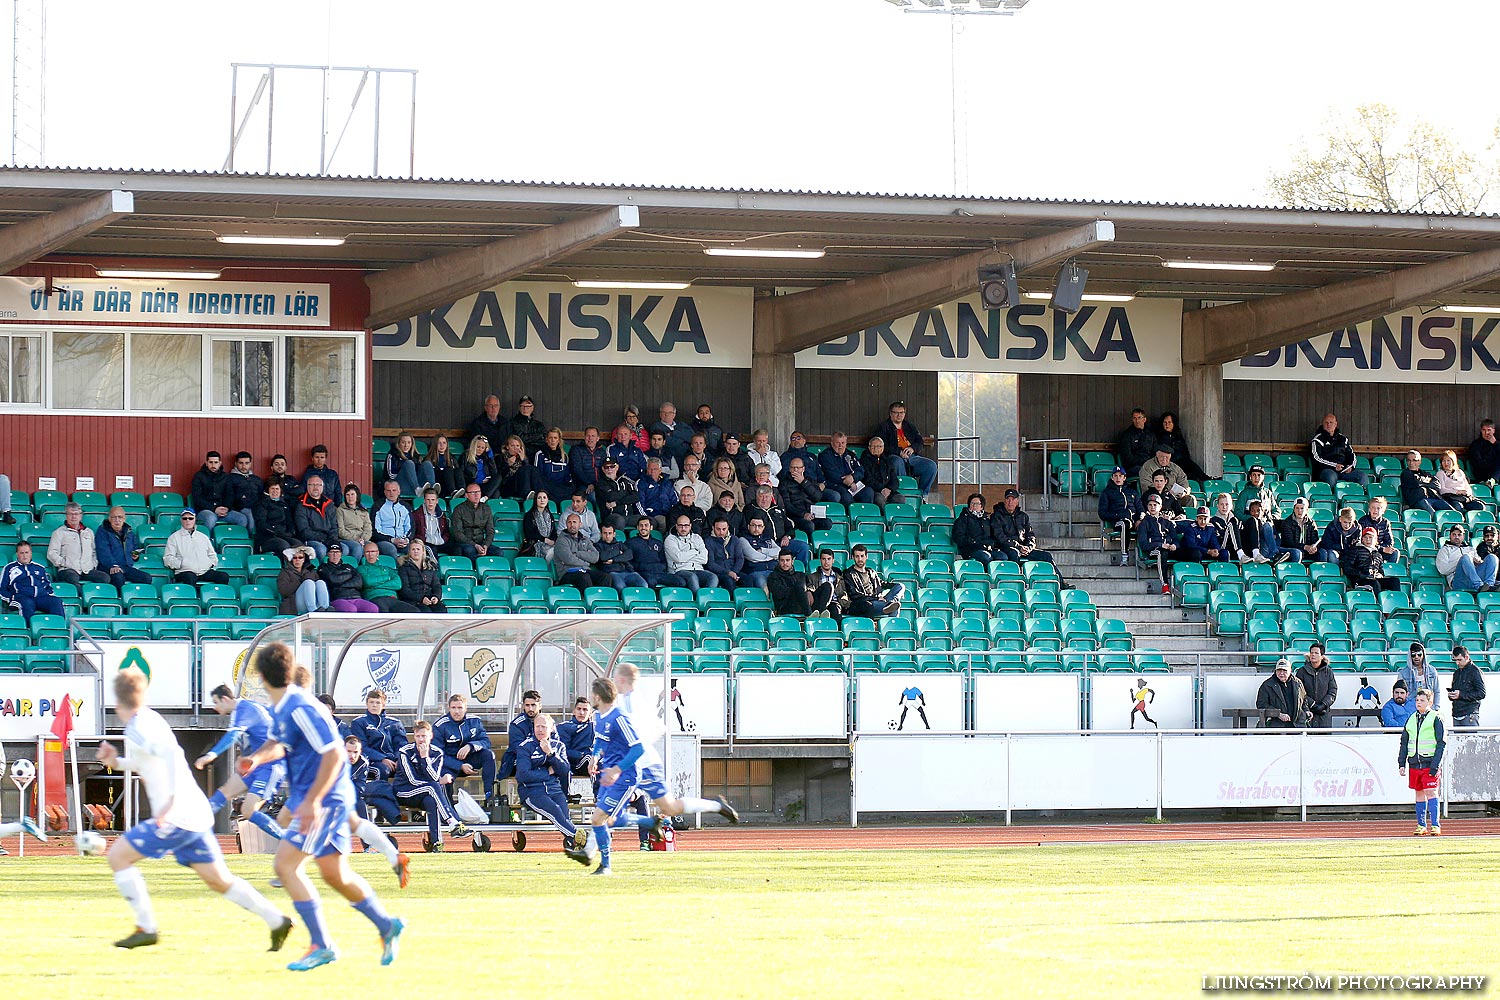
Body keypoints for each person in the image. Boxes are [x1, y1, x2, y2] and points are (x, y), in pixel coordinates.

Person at [98, 670, 293, 952]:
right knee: (219, 880)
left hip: (177, 816)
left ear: (117, 702)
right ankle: (276, 920)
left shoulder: (139, 727)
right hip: (195, 814)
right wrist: (116, 762)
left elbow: (169, 755)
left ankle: (146, 928)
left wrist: (169, 802)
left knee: (118, 857)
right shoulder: (149, 719)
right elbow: (149, 761)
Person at [237, 643, 405, 968]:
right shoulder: (286, 707)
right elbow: (279, 743)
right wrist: (255, 759)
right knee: (335, 874)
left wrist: (313, 800)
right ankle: (387, 924)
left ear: (260, 676)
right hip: (321, 797)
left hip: (323, 799)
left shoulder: (300, 707)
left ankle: (322, 944)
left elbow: (333, 753)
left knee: (286, 867)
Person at [583, 677, 737, 875]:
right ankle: (594, 854)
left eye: (620, 681)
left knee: (618, 816)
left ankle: (597, 858)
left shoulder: (629, 707)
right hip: (623, 770)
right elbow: (602, 739)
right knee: (612, 817)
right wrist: (595, 757)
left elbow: (647, 737)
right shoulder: (605, 713)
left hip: (643, 766)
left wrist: (617, 769)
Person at [194, 684, 287, 845]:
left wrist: (210, 755)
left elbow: (233, 736)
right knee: (224, 793)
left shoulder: (245, 709)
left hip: (271, 765)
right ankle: (194, 831)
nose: (215, 708)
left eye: (216, 702)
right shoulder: (243, 710)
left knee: (248, 810)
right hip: (254, 765)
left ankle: (290, 840)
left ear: (224, 699)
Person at [393, 720, 485, 853]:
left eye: (424, 736)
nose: (421, 740)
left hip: (426, 793)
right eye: (418, 736)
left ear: (431, 736)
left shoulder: (437, 753)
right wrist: (434, 782)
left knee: (432, 801)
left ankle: (437, 843)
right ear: (414, 736)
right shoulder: (405, 752)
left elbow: (434, 777)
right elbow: (412, 780)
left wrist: (425, 759)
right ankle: (452, 822)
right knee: (433, 787)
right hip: (404, 791)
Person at [515, 713, 591, 863]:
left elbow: (564, 770)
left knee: (564, 814)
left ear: (551, 729)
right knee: (555, 810)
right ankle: (582, 837)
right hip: (531, 792)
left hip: (554, 789)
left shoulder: (558, 746)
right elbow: (523, 775)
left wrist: (550, 754)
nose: (540, 730)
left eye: (544, 726)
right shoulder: (525, 747)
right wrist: (547, 772)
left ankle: (574, 842)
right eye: (537, 726)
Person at [433, 693, 497, 810]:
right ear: (449, 708)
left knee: (489, 755)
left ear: (465, 708)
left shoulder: (474, 721)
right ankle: (449, 809)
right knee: (444, 774)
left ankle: (489, 797)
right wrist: (460, 766)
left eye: (460, 708)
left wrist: (470, 746)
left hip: (471, 759)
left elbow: (486, 741)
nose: (457, 711)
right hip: (450, 764)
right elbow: (438, 755)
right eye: (453, 708)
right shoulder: (440, 725)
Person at [1397, 687, 1446, 837]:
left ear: (1430, 702)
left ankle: (1435, 825)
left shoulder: (1436, 718)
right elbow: (1404, 742)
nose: (1418, 703)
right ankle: (1421, 825)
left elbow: (1441, 743)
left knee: (1431, 792)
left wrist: (1435, 765)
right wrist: (1401, 763)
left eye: (1422, 700)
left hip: (1429, 762)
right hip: (1414, 764)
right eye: (1417, 700)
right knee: (1418, 794)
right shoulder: (1411, 718)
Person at [876, 400, 938, 496]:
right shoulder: (883, 427)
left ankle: (921, 495)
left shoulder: (909, 426)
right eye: (896, 413)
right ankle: (903, 494)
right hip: (893, 456)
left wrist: (912, 448)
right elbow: (882, 446)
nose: (899, 415)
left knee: (931, 466)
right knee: (897, 462)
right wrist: (899, 452)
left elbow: (919, 441)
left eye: (901, 413)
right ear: (890, 413)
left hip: (911, 456)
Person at [351, 689, 408, 779]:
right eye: (371, 702)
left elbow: (401, 744)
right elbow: (362, 747)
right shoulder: (359, 722)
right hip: (372, 760)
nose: (374, 705)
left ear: (383, 705)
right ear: (366, 704)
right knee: (382, 770)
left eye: (378, 703)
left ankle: (401, 792)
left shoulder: (395, 723)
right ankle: (381, 793)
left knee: (407, 768)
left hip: (393, 760)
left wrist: (399, 759)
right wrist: (382, 758)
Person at [48, 503, 109, 587]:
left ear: (81, 516)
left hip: (87, 570)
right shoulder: (59, 532)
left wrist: (93, 564)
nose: (73, 517)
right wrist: (64, 563)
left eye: (76, 514)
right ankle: (82, 598)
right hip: (68, 569)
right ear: (66, 516)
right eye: (70, 514)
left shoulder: (89, 532)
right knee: (72, 578)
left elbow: (94, 551)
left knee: (105, 578)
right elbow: (51, 553)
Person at [991, 489, 1055, 568]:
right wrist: (1018, 547)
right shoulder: (996, 516)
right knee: (1014, 553)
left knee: (1046, 556)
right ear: (1004, 501)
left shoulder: (1023, 516)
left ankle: (1059, 579)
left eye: (1013, 499)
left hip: (1024, 549)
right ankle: (1015, 579)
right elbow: (1000, 537)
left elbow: (1030, 535)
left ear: (1017, 501)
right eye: (1008, 499)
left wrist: (1029, 547)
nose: (1010, 502)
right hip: (1006, 548)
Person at [163, 510, 229, 585]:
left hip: (204, 571)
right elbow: (168, 558)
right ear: (181, 520)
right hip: (184, 571)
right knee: (190, 577)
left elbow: (212, 555)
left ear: (195, 519)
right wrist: (181, 564)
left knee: (223, 576)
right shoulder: (174, 538)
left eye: (190, 518)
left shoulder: (203, 537)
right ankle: (191, 596)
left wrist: (210, 563)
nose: (187, 521)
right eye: (185, 518)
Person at [95, 506, 152, 591]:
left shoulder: (129, 532)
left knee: (147, 578)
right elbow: (103, 551)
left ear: (124, 518)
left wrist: (135, 556)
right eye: (114, 517)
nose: (117, 520)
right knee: (118, 578)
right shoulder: (102, 530)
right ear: (109, 519)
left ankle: (135, 599)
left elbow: (135, 548)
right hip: (108, 566)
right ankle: (119, 601)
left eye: (120, 517)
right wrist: (113, 565)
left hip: (125, 567)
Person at [843, 543, 904, 619]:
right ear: (853, 557)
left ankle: (890, 604)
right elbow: (854, 595)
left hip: (880, 601)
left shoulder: (871, 572)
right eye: (857, 556)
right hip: (866, 604)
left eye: (862, 556)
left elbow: (882, 584)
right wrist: (876, 598)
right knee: (894, 607)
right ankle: (891, 615)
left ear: (866, 557)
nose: (860, 559)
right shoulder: (848, 573)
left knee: (900, 586)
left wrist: (895, 587)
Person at [1097, 468, 1143, 564]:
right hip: (1119, 521)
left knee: (1149, 523)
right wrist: (1117, 515)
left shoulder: (1132, 492)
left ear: (1124, 478)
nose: (1118, 478)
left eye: (1120, 476)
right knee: (1124, 524)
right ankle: (1124, 555)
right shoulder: (1106, 493)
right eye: (1115, 476)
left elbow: (1140, 509)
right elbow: (1102, 513)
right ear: (1112, 477)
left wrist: (1140, 519)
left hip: (1134, 521)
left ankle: (1148, 555)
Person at [358, 543, 420, 613]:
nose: (370, 554)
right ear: (364, 554)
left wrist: (375, 586)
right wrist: (388, 578)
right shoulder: (361, 569)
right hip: (375, 598)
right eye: (367, 552)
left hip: (392, 598)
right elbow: (368, 582)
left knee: (415, 612)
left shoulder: (388, 569)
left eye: (373, 551)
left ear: (377, 553)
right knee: (384, 614)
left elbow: (398, 584)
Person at [1311, 413, 1368, 487]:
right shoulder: (1317, 440)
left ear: (1335, 424)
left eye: (1331, 422)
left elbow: (1351, 455)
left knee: (1362, 476)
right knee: (1331, 477)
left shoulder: (1343, 439)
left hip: (1343, 470)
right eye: (1326, 423)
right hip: (1326, 470)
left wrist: (1351, 466)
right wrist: (1334, 465)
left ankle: (1361, 497)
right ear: (1323, 424)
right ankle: (1331, 497)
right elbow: (1317, 458)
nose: (1329, 425)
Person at [1138, 495, 1180, 596]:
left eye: (1155, 505)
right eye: (1150, 505)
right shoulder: (1144, 523)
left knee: (1190, 553)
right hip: (1154, 550)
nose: (1152, 507)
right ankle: (1165, 584)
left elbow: (1176, 539)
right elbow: (1143, 545)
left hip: (1169, 549)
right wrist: (1160, 545)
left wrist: (1175, 545)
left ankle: (1185, 585)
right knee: (1162, 552)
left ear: (1160, 507)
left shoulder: (1167, 522)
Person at [1436, 524, 1499, 592]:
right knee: (1465, 557)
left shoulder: (1470, 549)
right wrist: (1462, 561)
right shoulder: (1444, 550)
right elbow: (1443, 570)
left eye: (1459, 535)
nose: (1456, 537)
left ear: (1463, 536)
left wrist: (1477, 562)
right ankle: (1480, 586)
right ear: (1450, 536)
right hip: (1458, 580)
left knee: (1492, 557)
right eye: (1454, 534)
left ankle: (1489, 585)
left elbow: (1479, 563)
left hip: (1474, 577)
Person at [294, 475, 342, 560]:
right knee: (321, 550)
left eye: (318, 485)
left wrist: (332, 539)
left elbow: (334, 526)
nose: (315, 488)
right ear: (307, 487)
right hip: (310, 540)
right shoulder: (301, 505)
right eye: (312, 485)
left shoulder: (329, 504)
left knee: (345, 549)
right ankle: (320, 571)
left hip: (328, 539)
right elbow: (304, 531)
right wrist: (323, 539)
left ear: (322, 487)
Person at [818, 432, 874, 505]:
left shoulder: (851, 455)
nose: (840, 445)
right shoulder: (825, 455)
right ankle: (851, 515)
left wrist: (853, 477)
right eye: (837, 443)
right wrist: (849, 482)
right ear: (832, 443)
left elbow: (861, 470)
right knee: (846, 497)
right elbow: (831, 473)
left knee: (868, 492)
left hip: (853, 484)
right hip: (835, 485)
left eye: (843, 443)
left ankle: (865, 515)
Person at [555, 512, 605, 592]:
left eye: (574, 522)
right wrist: (587, 562)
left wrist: (577, 554)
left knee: (605, 577)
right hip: (567, 573)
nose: (572, 525)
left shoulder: (585, 539)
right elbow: (569, 559)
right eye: (569, 522)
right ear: (566, 524)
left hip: (584, 570)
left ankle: (602, 601)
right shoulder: (561, 540)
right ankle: (588, 602)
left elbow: (595, 557)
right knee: (584, 577)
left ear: (580, 524)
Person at [665, 515, 716, 592]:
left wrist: (685, 556)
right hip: (679, 570)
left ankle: (705, 598)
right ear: (676, 526)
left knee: (713, 577)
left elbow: (704, 559)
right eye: (680, 525)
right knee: (692, 577)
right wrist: (695, 551)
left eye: (686, 525)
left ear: (690, 526)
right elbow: (678, 558)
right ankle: (698, 600)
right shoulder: (670, 539)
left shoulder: (697, 538)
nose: (683, 528)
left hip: (698, 569)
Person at [321, 545, 377, 613]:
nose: (335, 555)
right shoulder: (323, 567)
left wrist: (339, 583)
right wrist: (349, 575)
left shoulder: (348, 566)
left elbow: (359, 582)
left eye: (337, 552)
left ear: (341, 554)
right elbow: (333, 579)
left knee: (373, 608)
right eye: (332, 552)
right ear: (328, 554)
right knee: (351, 609)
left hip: (356, 597)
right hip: (338, 598)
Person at [1152, 411, 1205, 481]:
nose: (1167, 424)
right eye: (1165, 422)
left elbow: (1185, 451)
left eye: (1169, 422)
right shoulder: (1159, 436)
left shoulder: (1178, 436)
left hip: (1182, 462)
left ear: (1174, 423)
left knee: (1192, 467)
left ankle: (1207, 479)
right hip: (1169, 463)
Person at [397, 538, 446, 613]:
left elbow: (437, 586)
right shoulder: (404, 567)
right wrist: (421, 598)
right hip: (413, 601)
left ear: (423, 551)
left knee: (441, 610)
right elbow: (405, 590)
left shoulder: (430, 567)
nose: (416, 551)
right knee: (426, 611)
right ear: (409, 552)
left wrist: (436, 596)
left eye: (418, 549)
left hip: (430, 599)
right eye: (413, 549)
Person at [190, 450, 235, 531]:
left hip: (223, 511)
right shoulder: (199, 477)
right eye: (211, 462)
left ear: (220, 463)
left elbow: (230, 495)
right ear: (206, 463)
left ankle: (232, 542)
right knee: (211, 518)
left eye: (216, 462)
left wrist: (226, 508)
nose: (213, 465)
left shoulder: (225, 477)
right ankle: (207, 542)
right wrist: (214, 509)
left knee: (242, 519)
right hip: (204, 511)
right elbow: (197, 498)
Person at [1295, 644, 1338, 729]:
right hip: (1306, 713)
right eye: (1311, 653)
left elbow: (1333, 691)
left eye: (1316, 653)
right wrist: (1312, 704)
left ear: (1322, 656)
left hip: (1324, 715)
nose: (1313, 655)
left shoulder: (1329, 672)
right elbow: (1298, 691)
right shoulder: (1301, 671)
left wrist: (1324, 704)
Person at [1256, 658, 1307, 728]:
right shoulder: (1267, 685)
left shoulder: (1298, 683)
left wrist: (1306, 711)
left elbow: (1304, 700)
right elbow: (1261, 704)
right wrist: (1278, 714)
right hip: (1277, 727)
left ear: (1290, 671)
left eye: (1284, 670)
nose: (1281, 673)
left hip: (1298, 726)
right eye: (1279, 670)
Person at [1342, 527, 1398, 591]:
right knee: (1374, 583)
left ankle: (1397, 600)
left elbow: (1380, 569)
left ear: (1375, 540)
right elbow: (1347, 567)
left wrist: (1380, 574)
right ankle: (1378, 600)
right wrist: (1361, 574)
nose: (1368, 540)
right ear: (1362, 539)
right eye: (1365, 537)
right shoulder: (1356, 550)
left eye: (1370, 537)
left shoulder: (1378, 554)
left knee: (1394, 581)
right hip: (1360, 580)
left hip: (1374, 579)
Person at [595, 522, 647, 590]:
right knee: (619, 587)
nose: (607, 536)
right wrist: (618, 552)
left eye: (610, 533)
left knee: (644, 585)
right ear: (601, 534)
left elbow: (629, 555)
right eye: (605, 533)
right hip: (612, 572)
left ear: (614, 534)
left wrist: (613, 560)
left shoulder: (619, 544)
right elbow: (603, 557)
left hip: (628, 571)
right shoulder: (597, 546)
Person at [735, 515, 781, 591]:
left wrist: (763, 550)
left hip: (773, 570)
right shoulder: (742, 539)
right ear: (748, 526)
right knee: (764, 587)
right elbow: (753, 556)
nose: (756, 529)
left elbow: (779, 552)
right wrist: (772, 556)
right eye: (753, 525)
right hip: (756, 571)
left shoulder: (767, 538)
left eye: (759, 526)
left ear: (763, 527)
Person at [255, 480, 301, 555]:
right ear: (267, 490)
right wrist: (275, 532)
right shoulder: (262, 503)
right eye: (272, 489)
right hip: (268, 537)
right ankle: (285, 566)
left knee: (299, 546)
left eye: (277, 489)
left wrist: (290, 533)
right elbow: (261, 524)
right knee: (284, 546)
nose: (275, 491)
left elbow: (290, 522)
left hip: (284, 535)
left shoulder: (284, 504)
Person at [628, 515, 676, 587]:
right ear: (637, 528)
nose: (643, 528)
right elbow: (629, 562)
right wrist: (641, 567)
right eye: (641, 525)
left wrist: (660, 568)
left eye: (646, 525)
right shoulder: (631, 542)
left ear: (651, 528)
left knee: (680, 582)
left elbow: (663, 561)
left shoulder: (658, 543)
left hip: (660, 573)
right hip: (644, 573)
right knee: (651, 582)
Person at [450, 483, 496, 559]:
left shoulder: (486, 508)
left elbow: (490, 531)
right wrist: (475, 545)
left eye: (478, 492)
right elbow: (458, 533)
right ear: (466, 495)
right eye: (473, 492)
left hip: (481, 542)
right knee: (470, 550)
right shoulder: (459, 509)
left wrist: (486, 545)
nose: (476, 495)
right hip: (465, 543)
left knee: (498, 552)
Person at [278, 547, 329, 614]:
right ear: (291, 560)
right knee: (308, 583)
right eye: (294, 558)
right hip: (294, 603)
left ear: (304, 559)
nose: (297, 560)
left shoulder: (310, 571)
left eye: (300, 557)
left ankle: (325, 608)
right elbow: (284, 592)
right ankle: (312, 611)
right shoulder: (285, 572)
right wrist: (300, 581)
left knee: (320, 582)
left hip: (313, 601)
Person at [412, 488, 461, 557]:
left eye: (433, 500)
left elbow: (446, 532)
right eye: (428, 500)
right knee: (433, 550)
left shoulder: (441, 515)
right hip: (426, 542)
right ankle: (434, 567)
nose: (430, 503)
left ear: (437, 501)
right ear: (424, 500)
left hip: (441, 542)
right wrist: (423, 540)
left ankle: (454, 567)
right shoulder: (417, 514)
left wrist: (444, 540)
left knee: (457, 549)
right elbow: (415, 533)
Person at [860, 436, 906, 510]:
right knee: (879, 500)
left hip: (889, 490)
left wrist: (889, 489)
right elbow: (868, 479)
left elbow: (894, 479)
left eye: (878, 446)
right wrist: (881, 489)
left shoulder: (887, 460)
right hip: (875, 490)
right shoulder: (864, 460)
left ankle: (894, 519)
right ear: (869, 447)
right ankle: (884, 519)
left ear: (883, 448)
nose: (876, 449)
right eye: (873, 446)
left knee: (900, 499)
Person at [597, 458, 642, 532]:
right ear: (603, 469)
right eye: (606, 467)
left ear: (617, 467)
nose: (609, 469)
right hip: (612, 516)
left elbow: (636, 497)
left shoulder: (625, 481)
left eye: (612, 466)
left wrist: (616, 503)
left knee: (647, 521)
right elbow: (610, 497)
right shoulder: (601, 483)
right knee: (620, 521)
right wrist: (626, 492)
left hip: (630, 516)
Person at [384, 433, 434, 498]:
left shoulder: (416, 456)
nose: (406, 445)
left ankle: (432, 490)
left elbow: (419, 474)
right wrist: (406, 469)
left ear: (412, 444)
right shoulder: (393, 455)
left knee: (427, 464)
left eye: (408, 442)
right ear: (398, 444)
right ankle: (417, 489)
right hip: (400, 486)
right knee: (409, 463)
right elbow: (391, 476)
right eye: (403, 442)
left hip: (415, 486)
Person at [954, 492, 999, 564]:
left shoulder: (986, 520)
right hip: (971, 549)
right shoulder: (963, 519)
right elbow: (958, 536)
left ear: (982, 506)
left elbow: (992, 536)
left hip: (987, 548)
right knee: (985, 557)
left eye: (977, 504)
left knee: (1002, 556)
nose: (974, 506)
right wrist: (972, 541)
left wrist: (990, 544)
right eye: (972, 503)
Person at [334, 484, 375, 561]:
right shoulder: (340, 510)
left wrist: (363, 538)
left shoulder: (363, 511)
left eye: (352, 494)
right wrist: (356, 538)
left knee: (372, 547)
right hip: (346, 539)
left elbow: (368, 529)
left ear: (357, 496)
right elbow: (341, 531)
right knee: (357, 547)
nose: (350, 497)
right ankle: (354, 569)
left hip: (362, 539)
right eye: (347, 495)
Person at [637, 458, 679, 533]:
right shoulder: (641, 483)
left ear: (660, 470)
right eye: (650, 469)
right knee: (663, 521)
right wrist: (645, 517)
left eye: (655, 469)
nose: (652, 471)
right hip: (652, 514)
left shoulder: (667, 482)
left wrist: (675, 513)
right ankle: (662, 541)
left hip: (668, 512)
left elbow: (675, 500)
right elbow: (639, 502)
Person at [1448, 646, 1486, 728]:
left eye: (1459, 660)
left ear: (1467, 657)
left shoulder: (1475, 672)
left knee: (1471, 740)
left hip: (1470, 713)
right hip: (1457, 713)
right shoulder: (1457, 673)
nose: (1457, 663)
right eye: (1455, 660)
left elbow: (1481, 693)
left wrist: (1460, 695)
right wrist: (1452, 695)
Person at [557, 697, 596, 776]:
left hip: (592, 761)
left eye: (585, 710)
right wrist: (580, 755)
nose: (581, 713)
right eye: (579, 709)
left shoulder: (595, 727)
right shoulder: (564, 727)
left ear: (590, 713)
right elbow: (562, 750)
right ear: (574, 712)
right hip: (574, 764)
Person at [807, 548, 849, 620]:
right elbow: (810, 588)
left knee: (835, 611)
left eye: (829, 559)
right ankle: (820, 613)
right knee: (828, 586)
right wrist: (809, 590)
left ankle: (836, 630)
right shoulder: (812, 577)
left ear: (833, 561)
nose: (826, 562)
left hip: (834, 603)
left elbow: (843, 595)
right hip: (818, 604)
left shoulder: (840, 578)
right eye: (824, 559)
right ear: (820, 560)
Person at [1276, 498, 1322, 564]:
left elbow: (1315, 539)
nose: (1299, 511)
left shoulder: (1311, 523)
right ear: (1294, 509)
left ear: (1306, 510)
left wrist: (1314, 547)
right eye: (1297, 508)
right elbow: (1289, 543)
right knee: (1297, 553)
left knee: (1322, 553)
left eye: (1302, 508)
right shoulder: (1287, 523)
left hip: (1307, 550)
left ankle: (1319, 572)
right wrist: (1305, 547)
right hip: (1293, 549)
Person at [705, 518, 745, 592]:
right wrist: (728, 572)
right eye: (718, 529)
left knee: (748, 580)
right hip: (719, 572)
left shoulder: (734, 539)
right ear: (713, 528)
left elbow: (740, 558)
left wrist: (734, 572)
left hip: (734, 571)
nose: (721, 532)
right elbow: (711, 564)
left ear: (728, 528)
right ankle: (732, 602)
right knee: (728, 581)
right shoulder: (708, 541)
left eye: (724, 529)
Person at [1115, 408, 1157, 480]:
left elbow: (1155, 451)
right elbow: (1127, 457)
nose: (1137, 421)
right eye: (1134, 418)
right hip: (1133, 467)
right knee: (1146, 472)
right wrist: (1143, 463)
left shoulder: (1151, 434)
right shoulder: (1127, 435)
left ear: (1144, 419)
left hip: (1149, 466)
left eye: (1139, 418)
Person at [767, 550, 810, 616]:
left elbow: (810, 585)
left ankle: (819, 613)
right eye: (782, 560)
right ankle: (810, 615)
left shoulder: (801, 575)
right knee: (798, 587)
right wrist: (797, 591)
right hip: (785, 607)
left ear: (792, 561)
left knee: (827, 586)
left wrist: (809, 591)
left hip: (804, 604)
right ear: (778, 562)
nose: (785, 563)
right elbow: (779, 593)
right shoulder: (773, 576)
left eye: (787, 560)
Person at [533, 426, 574, 495]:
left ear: (559, 440)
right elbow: (537, 475)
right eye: (550, 438)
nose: (553, 440)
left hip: (560, 487)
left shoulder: (564, 456)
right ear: (546, 439)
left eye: (555, 438)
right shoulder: (540, 454)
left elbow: (567, 476)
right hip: (546, 487)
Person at [1211, 492, 1249, 562]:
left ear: (1231, 506)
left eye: (1227, 504)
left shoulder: (1237, 521)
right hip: (1222, 549)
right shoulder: (1212, 521)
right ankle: (1241, 554)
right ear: (1218, 506)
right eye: (1221, 504)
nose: (1224, 507)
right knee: (1232, 523)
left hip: (1235, 549)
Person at [569, 426, 607, 497]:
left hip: (599, 484)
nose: (590, 438)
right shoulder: (576, 450)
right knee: (594, 496)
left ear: (597, 438)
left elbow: (604, 470)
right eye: (588, 436)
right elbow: (577, 469)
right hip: (582, 485)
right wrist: (589, 483)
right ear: (584, 437)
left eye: (593, 436)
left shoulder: (602, 452)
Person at [495, 435, 536, 500]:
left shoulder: (524, 459)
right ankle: (526, 494)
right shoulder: (500, 458)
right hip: (507, 486)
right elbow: (499, 477)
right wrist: (508, 465)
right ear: (507, 447)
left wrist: (524, 460)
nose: (515, 448)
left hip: (521, 485)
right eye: (512, 446)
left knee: (531, 469)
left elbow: (529, 473)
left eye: (517, 446)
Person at [1400, 643, 1441, 708]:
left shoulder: (1432, 670)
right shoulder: (1403, 673)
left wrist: (1436, 707)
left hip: (1429, 707)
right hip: (1411, 708)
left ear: (1423, 655)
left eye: (1419, 654)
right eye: (1413, 655)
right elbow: (1401, 693)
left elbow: (1437, 691)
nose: (1416, 657)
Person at [1358, 497, 1398, 563]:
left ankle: (1387, 571)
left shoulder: (1385, 522)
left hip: (1379, 550)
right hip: (1366, 550)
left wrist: (1381, 549)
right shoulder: (1363, 521)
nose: (1375, 510)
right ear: (1369, 509)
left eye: (1378, 508)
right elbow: (1361, 541)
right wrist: (1382, 549)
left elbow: (1389, 542)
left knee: (1395, 552)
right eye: (1373, 507)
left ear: (1383, 511)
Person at [522, 489, 557, 562]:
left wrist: (553, 541)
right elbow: (529, 534)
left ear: (547, 500)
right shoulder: (529, 515)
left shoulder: (550, 516)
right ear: (535, 500)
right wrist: (544, 539)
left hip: (550, 544)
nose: (542, 500)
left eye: (544, 498)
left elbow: (553, 532)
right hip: (535, 544)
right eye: (539, 498)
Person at [462, 435, 501, 499]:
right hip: (472, 484)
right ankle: (485, 498)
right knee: (495, 493)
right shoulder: (465, 456)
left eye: (482, 448)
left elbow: (494, 473)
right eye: (478, 447)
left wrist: (490, 458)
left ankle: (485, 497)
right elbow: (461, 474)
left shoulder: (486, 458)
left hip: (484, 485)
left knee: (498, 477)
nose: (480, 449)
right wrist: (476, 480)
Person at [1469, 418, 1500, 485]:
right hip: (1482, 473)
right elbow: (1479, 463)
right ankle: (1492, 480)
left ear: (1493, 431)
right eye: (1484, 430)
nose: (1486, 433)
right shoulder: (1475, 445)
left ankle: (1493, 480)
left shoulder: (1497, 444)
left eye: (1489, 430)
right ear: (1481, 431)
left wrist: (1495, 444)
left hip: (1496, 472)